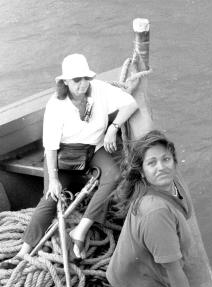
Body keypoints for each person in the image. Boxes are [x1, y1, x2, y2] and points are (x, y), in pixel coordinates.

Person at [106, 130, 212, 287]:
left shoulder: (172, 185)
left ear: (175, 161)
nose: (161, 167)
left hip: (130, 274)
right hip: (145, 284)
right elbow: (174, 272)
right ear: (142, 171)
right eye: (151, 163)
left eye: (166, 159)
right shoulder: (155, 212)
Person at [19, 53, 138, 259]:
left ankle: (81, 230)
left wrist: (113, 128)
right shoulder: (56, 105)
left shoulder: (99, 90)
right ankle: (24, 251)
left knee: (114, 175)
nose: (82, 84)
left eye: (86, 78)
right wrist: (54, 179)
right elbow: (50, 146)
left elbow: (130, 103)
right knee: (50, 199)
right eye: (76, 80)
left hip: (93, 149)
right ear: (65, 82)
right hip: (63, 156)